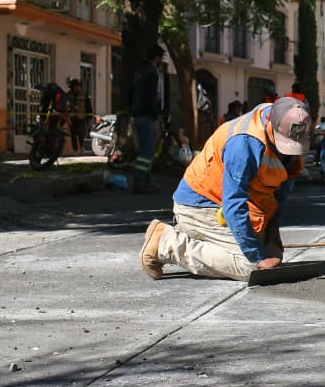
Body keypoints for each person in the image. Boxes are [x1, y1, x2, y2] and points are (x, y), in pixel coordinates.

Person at [139, 98, 311, 281]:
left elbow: (280, 195)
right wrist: (257, 256)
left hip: (227, 205)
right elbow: (233, 204)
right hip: (200, 206)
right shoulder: (243, 143)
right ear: (269, 121)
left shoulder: (289, 125)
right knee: (252, 267)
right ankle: (166, 243)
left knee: (274, 256)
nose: (285, 150)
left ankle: (202, 241)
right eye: (282, 141)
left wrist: (270, 231)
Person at [130, 44, 166, 193]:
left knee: (143, 151)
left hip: (137, 115)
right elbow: (151, 96)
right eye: (161, 58)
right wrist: (156, 112)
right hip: (147, 116)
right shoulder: (152, 72)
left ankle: (142, 181)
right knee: (147, 152)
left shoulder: (140, 71)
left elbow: (130, 92)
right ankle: (142, 182)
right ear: (157, 58)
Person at [67, 78, 93, 155]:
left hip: (81, 117)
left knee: (81, 133)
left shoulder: (83, 94)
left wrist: (89, 116)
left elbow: (88, 106)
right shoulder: (68, 95)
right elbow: (66, 105)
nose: (76, 88)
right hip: (71, 117)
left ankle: (81, 148)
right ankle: (75, 150)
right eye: (74, 86)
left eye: (77, 86)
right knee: (73, 134)